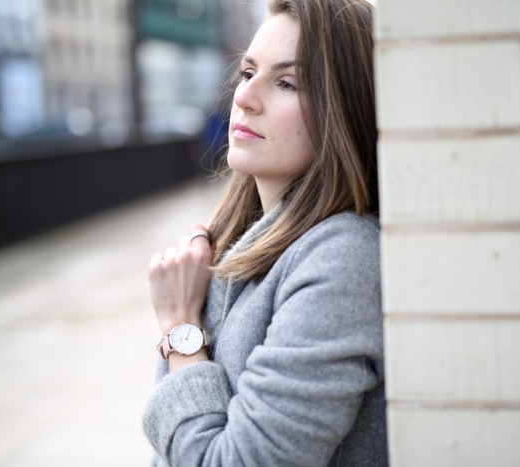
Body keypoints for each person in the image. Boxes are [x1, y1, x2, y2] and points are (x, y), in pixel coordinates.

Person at [142, 0, 386, 465]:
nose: (245, 97)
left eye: (286, 82)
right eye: (248, 73)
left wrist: (180, 330)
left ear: (343, 108)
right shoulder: (238, 239)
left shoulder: (344, 260)